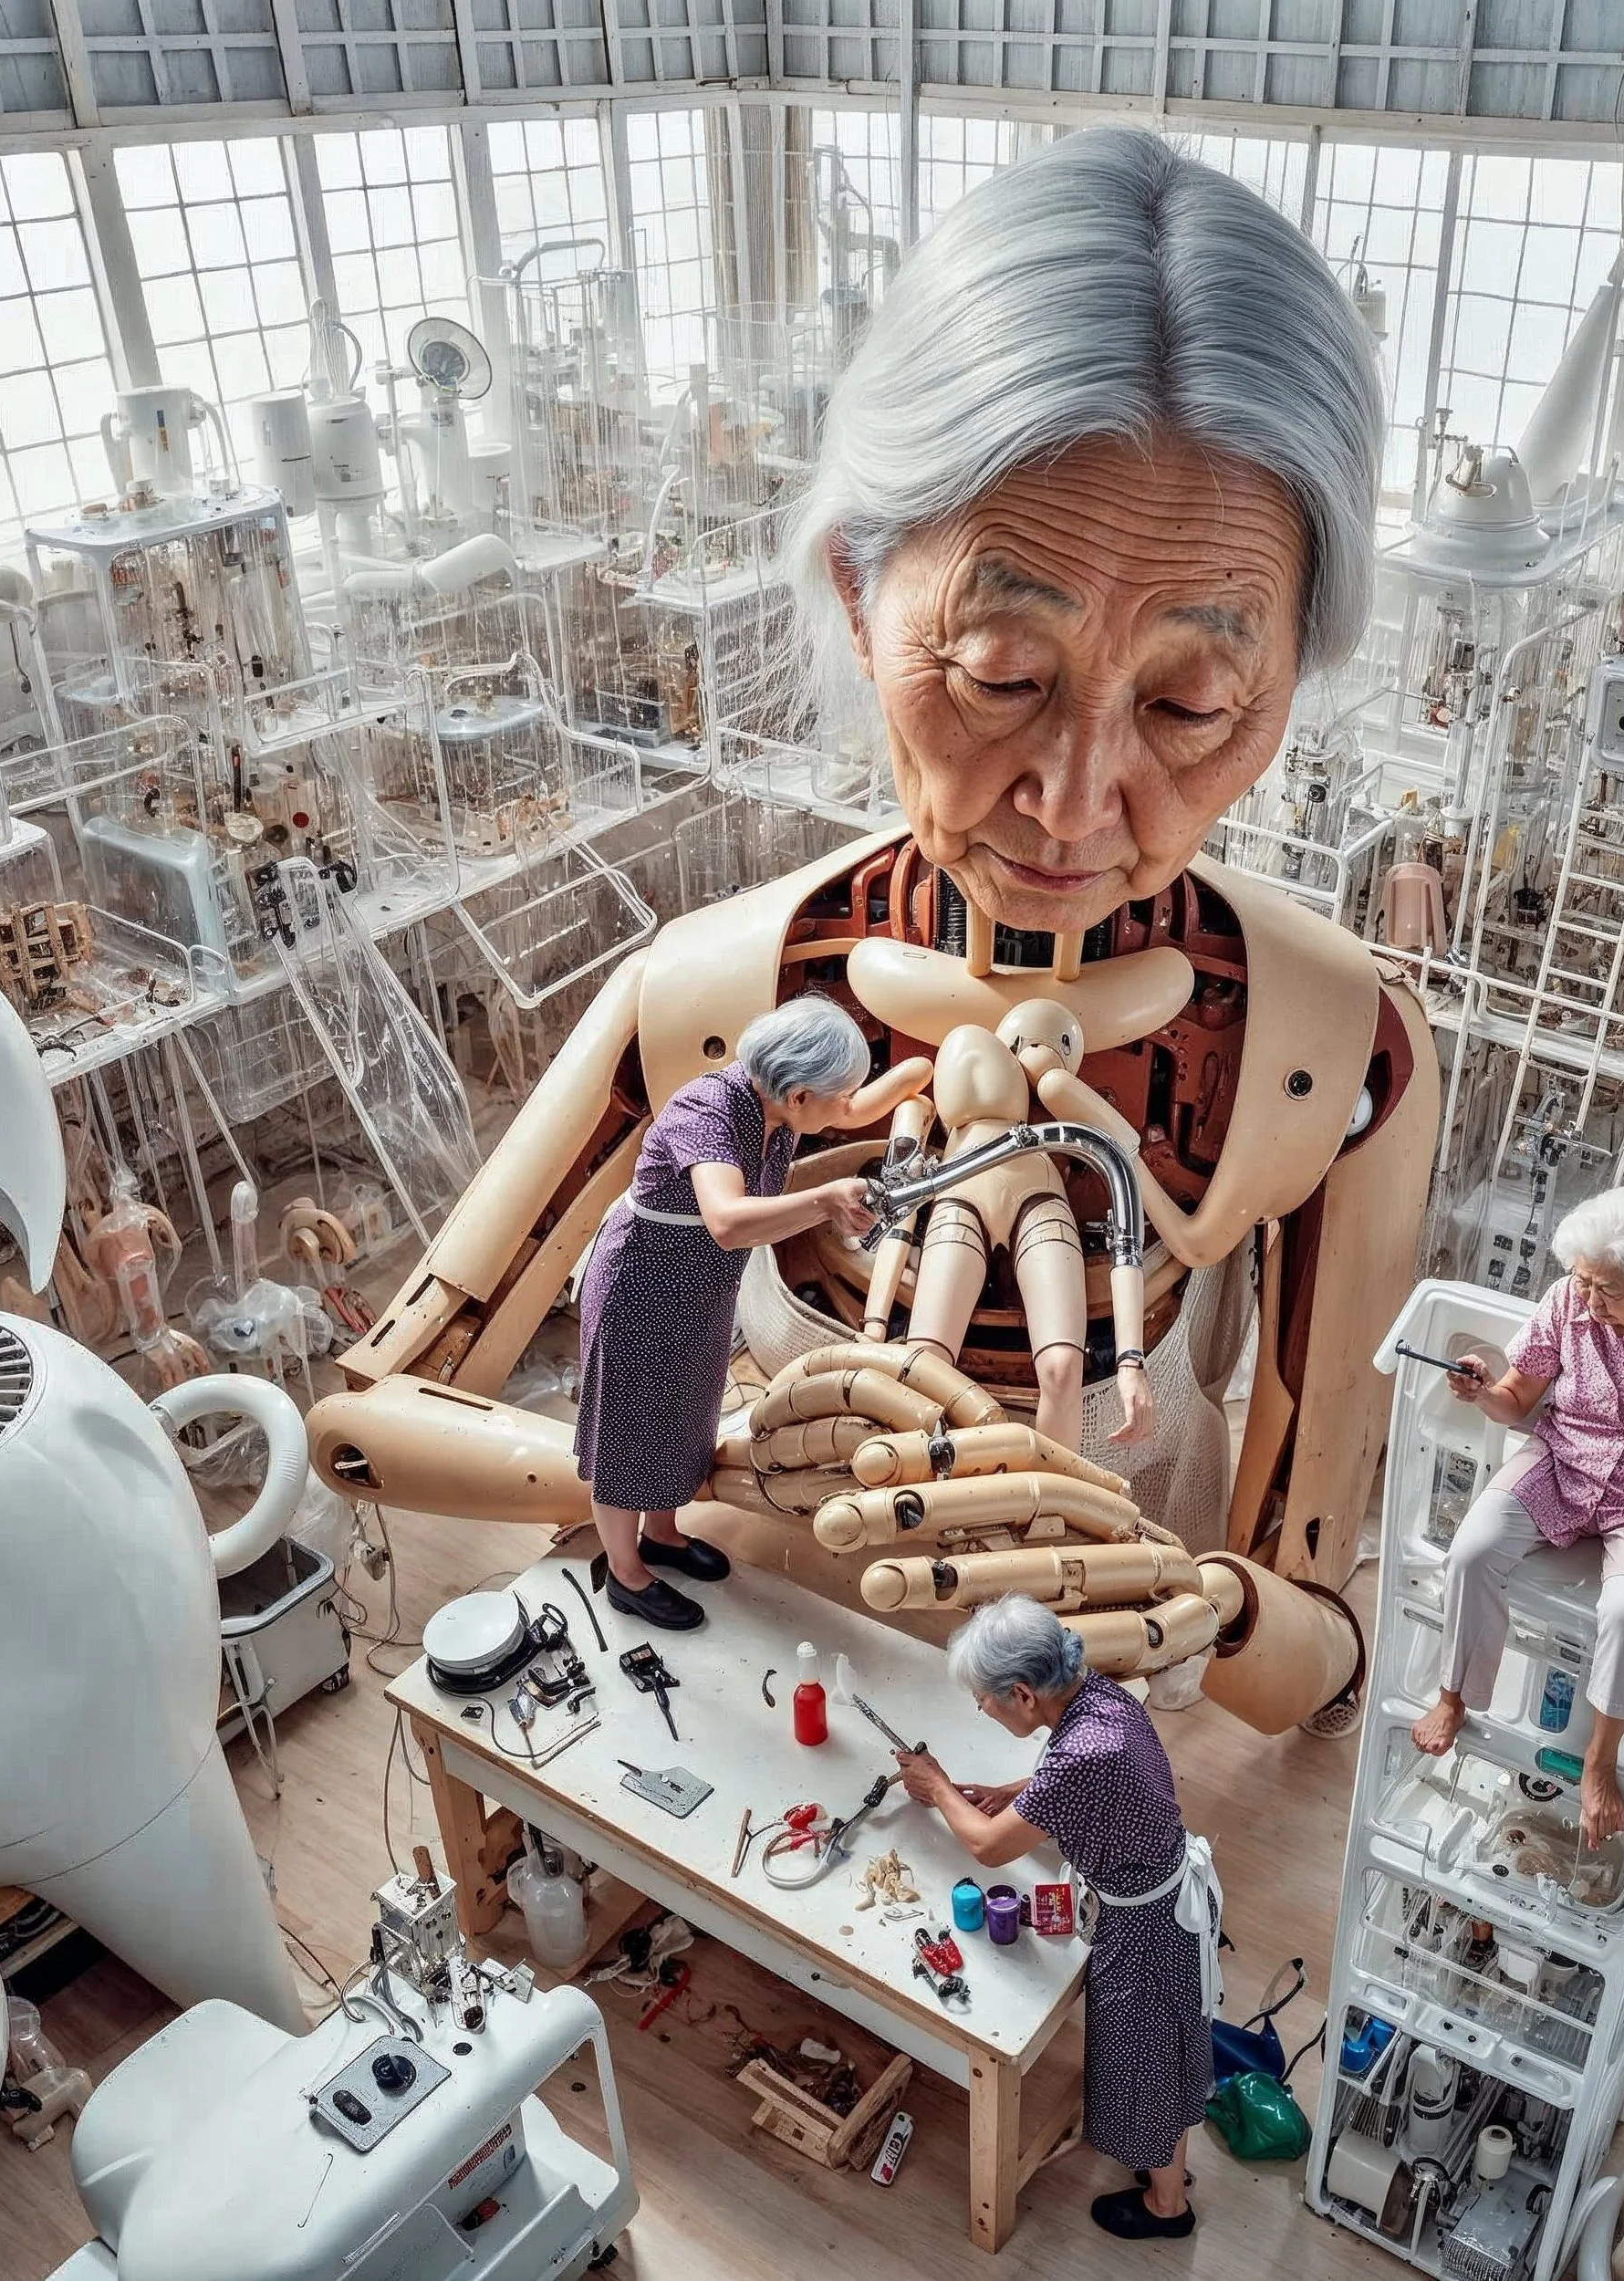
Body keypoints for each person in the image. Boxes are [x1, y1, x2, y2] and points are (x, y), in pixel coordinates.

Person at [787, 125, 1382, 943]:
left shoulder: (1343, 1019)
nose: (1070, 811)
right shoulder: (704, 995)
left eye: (1189, 708)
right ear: (858, 592)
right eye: (1000, 679)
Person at [1411, 1187, 1624, 1847]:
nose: (1591, 1300)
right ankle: (1454, 1697)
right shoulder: (1567, 1300)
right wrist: (1481, 1392)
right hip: (1564, 1457)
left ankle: (1600, 1762)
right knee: (1472, 1551)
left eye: (1609, 1290)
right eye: (1584, 1281)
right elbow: (1517, 1400)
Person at [573, 995, 921, 1630]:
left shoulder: (780, 1105)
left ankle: (662, 1534)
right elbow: (728, 1222)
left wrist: (933, 1066)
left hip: (701, 1286)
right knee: (629, 1430)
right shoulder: (708, 1110)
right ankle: (625, 1573)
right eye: (836, 1096)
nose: (844, 1108)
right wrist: (825, 1199)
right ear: (798, 1095)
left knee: (685, 1414)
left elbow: (859, 1106)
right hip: (642, 1286)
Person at [895, 1595, 1217, 2243]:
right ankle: (1162, 2159)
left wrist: (937, 1787)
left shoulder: (1082, 1758)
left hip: (1148, 1928)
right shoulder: (1101, 1697)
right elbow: (1071, 1773)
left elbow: (988, 1848)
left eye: (984, 1701)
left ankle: (1167, 2206)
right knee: (1162, 2050)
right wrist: (1013, 1795)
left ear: (1022, 1694)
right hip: (1165, 1897)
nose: (982, 1711)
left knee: (1143, 2063)